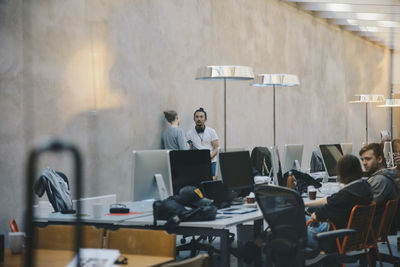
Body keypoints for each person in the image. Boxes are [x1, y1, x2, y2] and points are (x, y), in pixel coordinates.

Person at [305, 154, 373, 248]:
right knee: (301, 217)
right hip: (351, 235)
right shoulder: (365, 187)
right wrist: (304, 204)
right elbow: (329, 200)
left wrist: (313, 215)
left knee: (289, 226)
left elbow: (315, 216)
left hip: (331, 239)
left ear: (341, 172)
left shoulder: (344, 196)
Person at [186, 108, 219, 176]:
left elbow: (216, 148)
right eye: (197, 117)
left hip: (211, 163)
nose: (199, 119)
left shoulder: (211, 131)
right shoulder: (189, 134)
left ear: (205, 119)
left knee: (212, 184)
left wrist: (208, 158)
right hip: (197, 164)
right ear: (194, 119)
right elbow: (190, 148)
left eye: (201, 117)